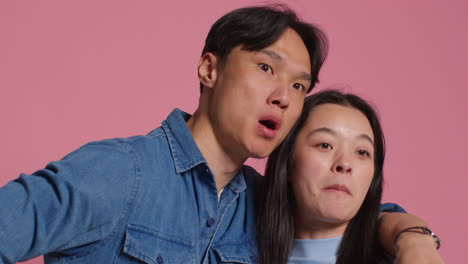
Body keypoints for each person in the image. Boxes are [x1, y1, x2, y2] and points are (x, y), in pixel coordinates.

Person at [0, 5, 441, 264]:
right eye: (266, 68)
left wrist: (415, 238)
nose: (284, 97)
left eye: (299, 86)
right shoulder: (122, 172)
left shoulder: (264, 203)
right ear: (210, 69)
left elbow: (355, 207)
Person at [257, 90, 443, 264]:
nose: (344, 164)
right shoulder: (238, 243)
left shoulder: (403, 251)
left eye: (362, 152)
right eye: (325, 145)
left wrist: (415, 241)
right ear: (288, 162)